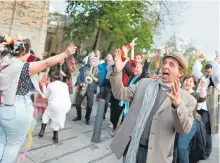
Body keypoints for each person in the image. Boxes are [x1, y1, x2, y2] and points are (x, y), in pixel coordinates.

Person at [109, 49, 196, 163]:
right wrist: (117, 73)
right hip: (131, 147)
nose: (165, 66)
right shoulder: (144, 83)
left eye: (171, 65)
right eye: (164, 63)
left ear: (180, 73)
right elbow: (120, 93)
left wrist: (178, 104)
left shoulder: (188, 99)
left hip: (156, 156)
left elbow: (184, 129)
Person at [0, 40, 76, 163]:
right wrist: (65, 54)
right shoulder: (22, 67)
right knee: (13, 144)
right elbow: (46, 63)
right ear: (24, 51)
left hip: (4, 106)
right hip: (18, 108)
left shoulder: (4, 62)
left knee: (2, 140)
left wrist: (18, 44)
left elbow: (32, 58)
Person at [192, 52, 220, 158]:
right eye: (206, 70)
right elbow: (195, 71)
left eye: (209, 70)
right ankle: (198, 150)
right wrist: (198, 61)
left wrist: (216, 61)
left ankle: (206, 153)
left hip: (208, 109)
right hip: (197, 107)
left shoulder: (216, 81)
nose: (207, 72)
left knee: (206, 131)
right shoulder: (203, 77)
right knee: (196, 129)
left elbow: (217, 74)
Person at [173, 74, 206, 163]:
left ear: (194, 85)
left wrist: (202, 87)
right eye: (186, 80)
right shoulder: (177, 92)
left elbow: (202, 98)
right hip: (176, 122)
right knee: (173, 147)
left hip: (189, 124)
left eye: (191, 81)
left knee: (181, 148)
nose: (188, 82)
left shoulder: (194, 94)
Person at [38, 71, 71, 143]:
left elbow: (45, 96)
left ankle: (42, 131)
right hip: (66, 105)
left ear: (52, 78)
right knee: (57, 117)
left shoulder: (50, 85)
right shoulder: (65, 85)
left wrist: (43, 85)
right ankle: (55, 137)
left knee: (46, 115)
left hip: (55, 104)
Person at [73, 57, 100, 125]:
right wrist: (80, 83)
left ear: (97, 63)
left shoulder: (99, 70)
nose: (93, 62)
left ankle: (87, 118)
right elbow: (79, 77)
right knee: (78, 104)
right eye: (92, 60)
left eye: (95, 61)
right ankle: (79, 116)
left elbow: (98, 80)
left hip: (91, 89)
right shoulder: (84, 68)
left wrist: (92, 76)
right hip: (83, 87)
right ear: (90, 61)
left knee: (89, 106)